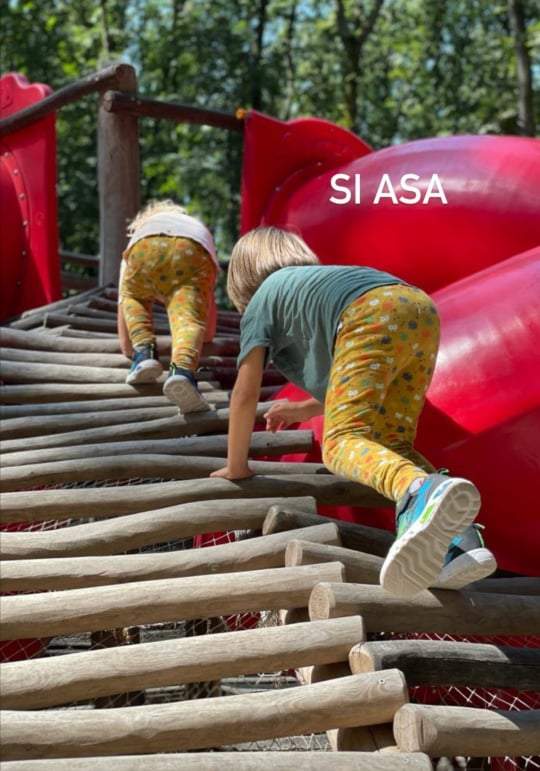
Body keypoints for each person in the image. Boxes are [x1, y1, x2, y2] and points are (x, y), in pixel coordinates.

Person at [210, 226, 496, 598]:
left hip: (369, 314)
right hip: (418, 310)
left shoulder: (264, 300)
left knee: (341, 443)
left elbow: (244, 394)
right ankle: (460, 541)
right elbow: (356, 383)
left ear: (241, 278)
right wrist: (302, 408)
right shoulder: (316, 286)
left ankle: (420, 493)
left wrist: (236, 466)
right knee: (391, 443)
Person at [117, 200, 218, 413]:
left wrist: (135, 346)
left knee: (133, 296)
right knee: (189, 321)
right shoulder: (194, 227)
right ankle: (182, 372)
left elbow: (125, 343)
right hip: (193, 248)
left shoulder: (140, 234)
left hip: (144, 248)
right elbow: (208, 333)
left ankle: (145, 355)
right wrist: (195, 322)